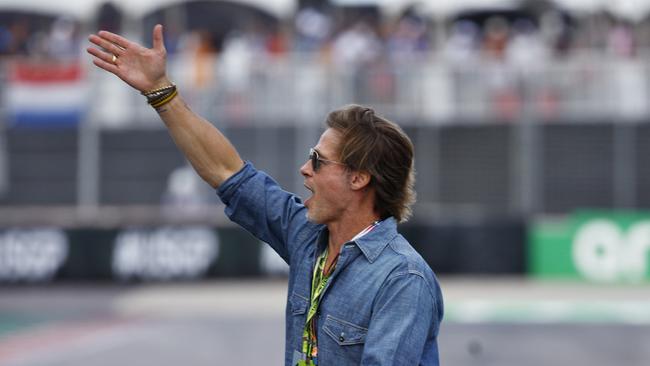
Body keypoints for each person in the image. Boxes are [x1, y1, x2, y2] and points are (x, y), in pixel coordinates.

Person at [87, 24, 443, 366]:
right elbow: (228, 173)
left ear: (359, 178)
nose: (305, 168)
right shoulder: (309, 237)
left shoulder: (402, 279)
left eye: (318, 160)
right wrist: (160, 91)